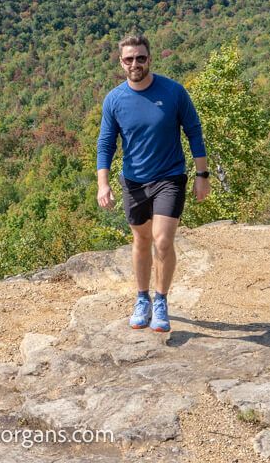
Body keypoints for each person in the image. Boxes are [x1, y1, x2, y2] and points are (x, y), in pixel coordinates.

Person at [96, 33, 209, 333]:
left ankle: (161, 300)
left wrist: (202, 175)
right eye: (129, 59)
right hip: (133, 181)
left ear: (150, 59)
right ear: (121, 63)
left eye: (141, 58)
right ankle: (142, 298)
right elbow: (106, 143)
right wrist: (103, 183)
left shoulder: (173, 92)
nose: (136, 63)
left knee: (162, 240)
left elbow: (194, 132)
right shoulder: (115, 100)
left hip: (169, 177)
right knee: (142, 241)